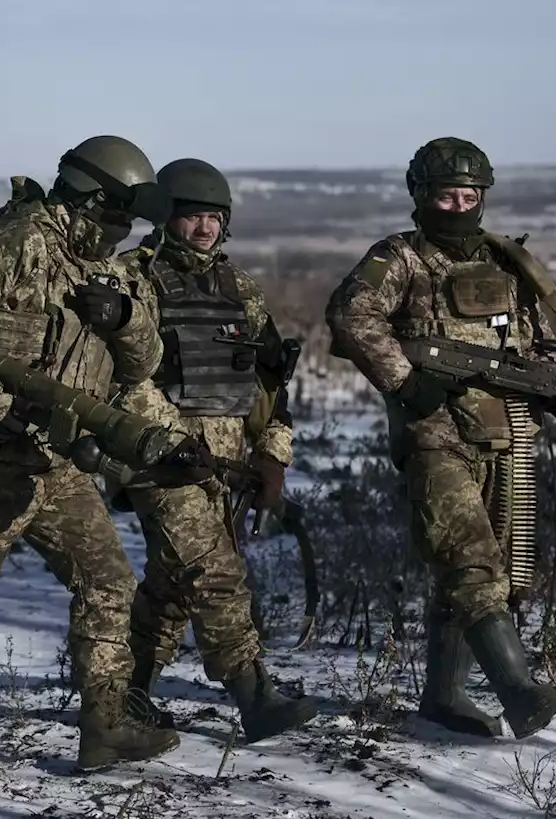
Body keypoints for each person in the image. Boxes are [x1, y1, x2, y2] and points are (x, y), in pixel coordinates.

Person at [0, 135, 183, 772]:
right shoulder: (16, 240)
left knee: (109, 584)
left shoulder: (102, 263)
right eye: (116, 216)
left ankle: (105, 723)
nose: (121, 232)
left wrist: (125, 316)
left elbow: (143, 364)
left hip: (58, 463)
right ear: (90, 198)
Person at [325, 137, 556, 739]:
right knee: (472, 565)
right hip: (435, 435)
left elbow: (537, 344)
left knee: (493, 569)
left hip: (506, 431)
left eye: (470, 195)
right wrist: (403, 380)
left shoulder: (506, 263)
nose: (460, 204)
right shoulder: (402, 258)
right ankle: (519, 692)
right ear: (421, 197)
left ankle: (443, 700)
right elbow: (351, 314)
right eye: (447, 195)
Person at [110, 157, 318, 742]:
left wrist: (273, 455)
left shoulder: (236, 285)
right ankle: (255, 695)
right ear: (165, 218)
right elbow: (124, 378)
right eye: (192, 217)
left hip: (226, 463)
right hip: (160, 458)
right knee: (213, 573)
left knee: (175, 584)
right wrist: (172, 441)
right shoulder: (132, 278)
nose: (204, 228)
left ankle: (122, 688)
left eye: (214, 217)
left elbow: (271, 384)